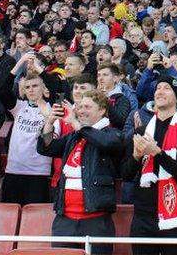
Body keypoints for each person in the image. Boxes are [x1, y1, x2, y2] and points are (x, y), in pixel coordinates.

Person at [38, 89, 125, 255]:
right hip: (65, 219)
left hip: (96, 220)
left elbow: (106, 143)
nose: (81, 111)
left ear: (102, 110)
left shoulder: (113, 134)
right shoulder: (74, 136)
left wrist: (77, 125)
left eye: (87, 107)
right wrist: (49, 122)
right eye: (79, 107)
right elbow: (47, 148)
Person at [122, 75, 177, 255]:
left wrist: (157, 153)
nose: (160, 91)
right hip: (143, 216)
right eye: (157, 88)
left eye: (166, 88)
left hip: (176, 215)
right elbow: (125, 174)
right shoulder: (141, 131)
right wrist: (136, 156)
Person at [3, 72, 58, 205]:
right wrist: (20, 62)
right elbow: (2, 90)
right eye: (27, 87)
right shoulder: (19, 107)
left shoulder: (52, 110)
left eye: (35, 86)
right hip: (14, 170)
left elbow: (50, 141)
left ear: (44, 88)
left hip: (39, 172)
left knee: (34, 218)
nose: (31, 89)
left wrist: (39, 69)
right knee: (10, 215)